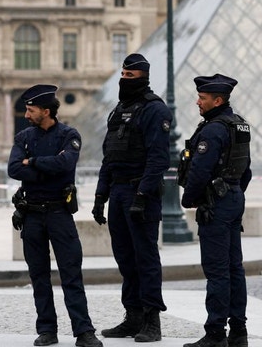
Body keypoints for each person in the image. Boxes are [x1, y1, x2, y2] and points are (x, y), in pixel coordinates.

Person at [8, 84, 103, 347]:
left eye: (31, 110)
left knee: (71, 273)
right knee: (38, 276)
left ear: (46, 111)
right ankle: (47, 329)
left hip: (60, 213)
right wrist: (47, 166)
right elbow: (14, 169)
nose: (26, 115)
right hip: (32, 215)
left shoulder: (68, 135)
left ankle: (84, 331)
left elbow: (66, 165)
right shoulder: (24, 137)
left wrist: (34, 162)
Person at [91, 53, 172, 342]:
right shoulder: (118, 110)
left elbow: (158, 159)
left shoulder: (155, 110)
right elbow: (109, 156)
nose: (124, 81)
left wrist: (141, 195)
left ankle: (152, 320)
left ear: (143, 78)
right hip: (118, 192)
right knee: (125, 258)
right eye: (122, 76)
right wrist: (101, 196)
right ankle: (133, 316)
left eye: (130, 77)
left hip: (141, 193)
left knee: (145, 258)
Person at [179, 74, 252, 347]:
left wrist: (190, 199)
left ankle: (215, 333)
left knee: (217, 271)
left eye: (203, 98)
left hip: (216, 204)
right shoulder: (239, 125)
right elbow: (247, 169)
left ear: (217, 100)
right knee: (235, 268)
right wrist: (233, 191)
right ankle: (238, 332)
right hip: (233, 198)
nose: (197, 102)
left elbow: (199, 171)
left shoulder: (212, 130)